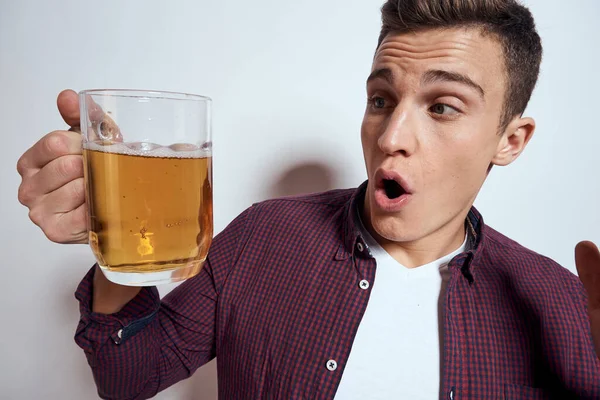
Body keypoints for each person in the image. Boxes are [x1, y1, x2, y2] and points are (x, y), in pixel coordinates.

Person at [16, 0, 600, 399]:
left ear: (510, 139)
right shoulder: (263, 238)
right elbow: (126, 377)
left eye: (442, 106)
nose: (392, 137)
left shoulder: (558, 303)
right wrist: (116, 230)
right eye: (380, 99)